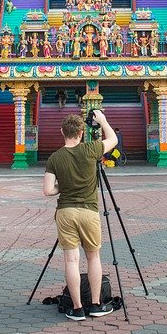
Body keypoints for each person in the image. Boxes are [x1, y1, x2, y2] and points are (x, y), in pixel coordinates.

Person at [43, 111, 118, 321]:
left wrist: (63, 186)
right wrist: (103, 120)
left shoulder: (55, 157)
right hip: (89, 211)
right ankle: (95, 304)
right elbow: (113, 140)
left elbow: (48, 190)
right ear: (81, 132)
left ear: (62, 132)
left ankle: (77, 309)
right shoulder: (90, 149)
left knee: (71, 260)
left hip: (65, 212)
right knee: (93, 257)